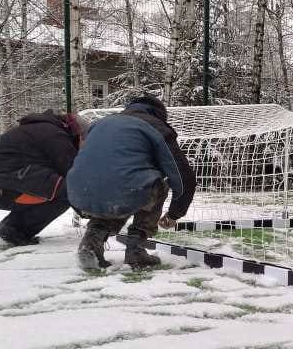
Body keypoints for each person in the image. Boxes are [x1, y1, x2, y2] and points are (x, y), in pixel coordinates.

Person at [67, 95, 196, 270]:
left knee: (113, 189)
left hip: (79, 192)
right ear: (159, 114)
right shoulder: (155, 126)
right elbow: (182, 176)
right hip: (123, 189)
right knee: (154, 186)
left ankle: (91, 243)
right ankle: (136, 249)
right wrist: (174, 214)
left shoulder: (101, 123)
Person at [0, 110, 87, 245]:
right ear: (77, 134)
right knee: (66, 191)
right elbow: (72, 173)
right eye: (83, 142)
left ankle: (14, 227)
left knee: (56, 186)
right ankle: (14, 229)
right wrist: (96, 212)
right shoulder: (54, 134)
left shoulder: (43, 129)